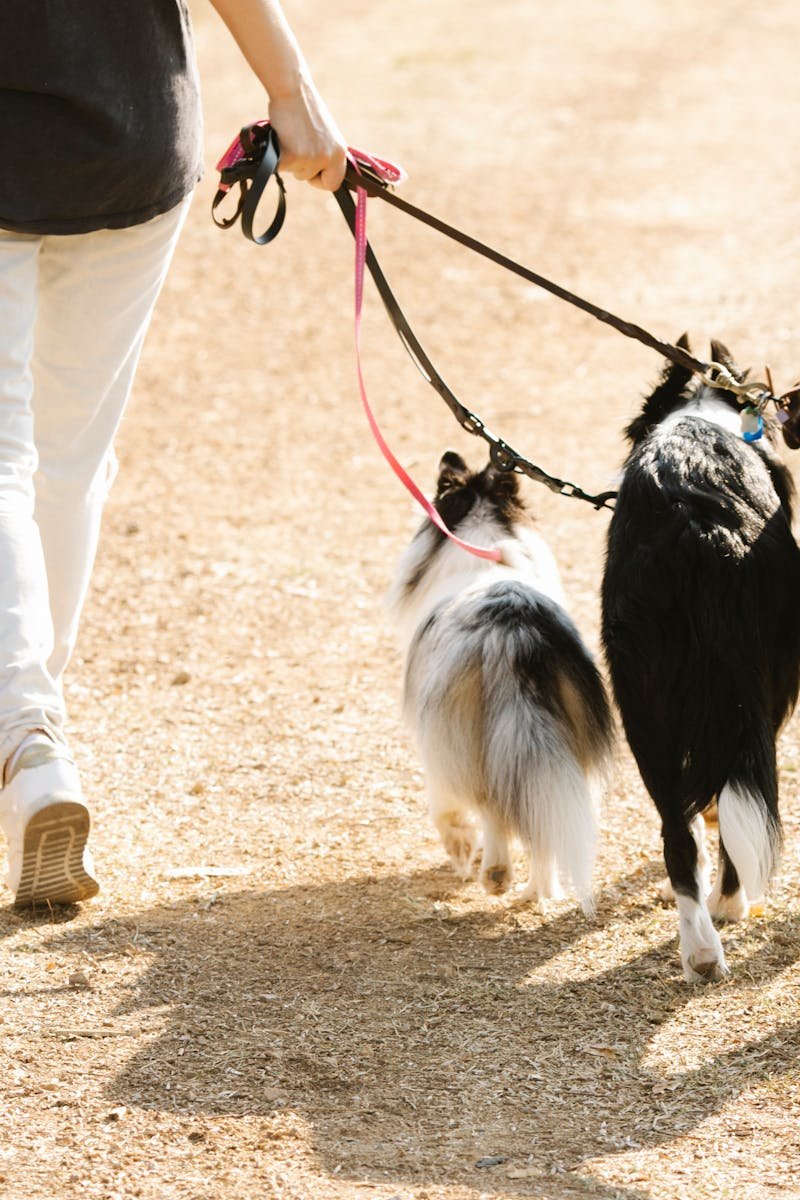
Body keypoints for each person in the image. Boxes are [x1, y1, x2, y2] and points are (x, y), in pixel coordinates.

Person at [0, 0, 347, 907]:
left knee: (5, 456)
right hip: (129, 130)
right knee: (68, 460)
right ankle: (32, 736)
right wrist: (291, 88)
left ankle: (27, 738)